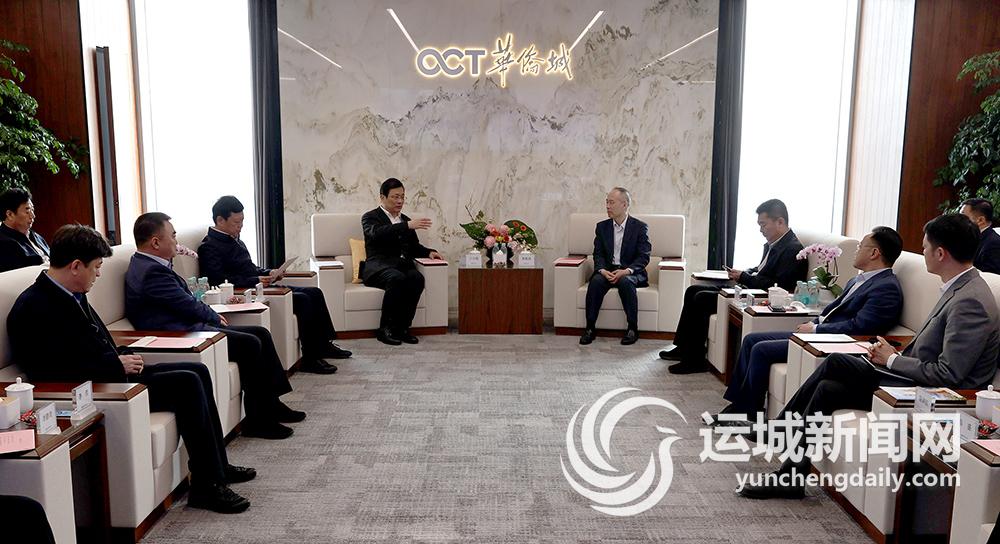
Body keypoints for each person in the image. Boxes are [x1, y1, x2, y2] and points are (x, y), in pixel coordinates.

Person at [738, 213, 1000, 500]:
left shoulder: (970, 300)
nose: (923, 252)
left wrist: (892, 360)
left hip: (933, 394)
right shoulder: (959, 288)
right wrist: (891, 354)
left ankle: (781, 432)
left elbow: (949, 374)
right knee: (827, 390)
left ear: (940, 253)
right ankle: (791, 476)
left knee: (836, 362)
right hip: (911, 378)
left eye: (925, 247)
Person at [7, 224, 255, 513]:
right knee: (187, 382)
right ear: (75, 266)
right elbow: (51, 369)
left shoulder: (71, 293)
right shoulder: (34, 307)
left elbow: (97, 342)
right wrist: (114, 363)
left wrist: (122, 356)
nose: (99, 275)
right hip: (95, 389)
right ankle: (207, 487)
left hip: (112, 373)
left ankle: (217, 468)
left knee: (196, 372)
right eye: (96, 267)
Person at [125, 212, 301, 440]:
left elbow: (183, 300)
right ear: (156, 242)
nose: (177, 241)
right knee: (249, 343)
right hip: (178, 334)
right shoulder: (150, 271)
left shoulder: (149, 264)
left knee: (260, 333)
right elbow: (185, 304)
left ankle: (272, 404)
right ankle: (258, 420)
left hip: (186, 326)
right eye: (173, 236)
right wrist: (213, 316)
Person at [719, 226, 904, 421]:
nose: (856, 250)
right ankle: (738, 407)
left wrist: (816, 329)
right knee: (751, 340)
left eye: (860, 246)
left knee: (761, 349)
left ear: (874, 253)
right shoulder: (857, 279)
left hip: (831, 341)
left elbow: (860, 327)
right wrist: (814, 323)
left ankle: (748, 415)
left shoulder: (886, 288)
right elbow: (833, 311)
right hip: (818, 332)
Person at [197, 195, 351, 374]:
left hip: (259, 285)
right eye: (236, 222)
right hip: (246, 292)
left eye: (242, 221)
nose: (241, 226)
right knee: (303, 299)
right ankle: (310, 358)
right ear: (220, 220)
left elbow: (250, 268)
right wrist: (255, 280)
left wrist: (268, 273)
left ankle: (324, 344)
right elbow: (217, 280)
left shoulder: (235, 239)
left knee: (315, 292)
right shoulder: (209, 247)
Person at [660, 199, 808, 374]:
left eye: (763, 224)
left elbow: (778, 286)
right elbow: (762, 270)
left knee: (702, 298)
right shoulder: (776, 244)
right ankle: (683, 347)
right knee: (693, 290)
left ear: (780, 222)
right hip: (749, 289)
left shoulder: (792, 250)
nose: (761, 230)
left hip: (761, 299)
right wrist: (745, 272)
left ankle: (695, 359)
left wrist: (744, 277)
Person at [360, 178, 443, 346]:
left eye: (402, 197)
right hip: (377, 268)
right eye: (395, 197)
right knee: (396, 278)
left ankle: (402, 328)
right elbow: (377, 233)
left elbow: (414, 247)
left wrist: (429, 252)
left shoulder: (405, 220)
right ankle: (385, 329)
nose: (400, 201)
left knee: (417, 278)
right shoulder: (370, 217)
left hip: (399, 267)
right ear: (382, 197)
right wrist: (407, 226)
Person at [579, 187, 651, 346]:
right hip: (608, 270)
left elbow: (643, 256)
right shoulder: (602, 227)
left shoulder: (640, 227)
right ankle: (590, 328)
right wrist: (602, 270)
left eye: (611, 203)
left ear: (624, 205)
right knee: (596, 282)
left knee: (625, 282)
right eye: (606, 202)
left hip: (630, 271)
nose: (607, 206)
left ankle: (632, 329)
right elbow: (598, 253)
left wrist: (626, 271)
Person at [0, 187, 49, 272]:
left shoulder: (36, 236)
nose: (33, 216)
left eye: (33, 210)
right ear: (10, 214)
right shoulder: (3, 243)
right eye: (27, 211)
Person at [960, 197, 1000, 274]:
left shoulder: (994, 244)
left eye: (962, 217)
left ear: (981, 220)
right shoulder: (968, 239)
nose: (957, 220)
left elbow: (992, 278)